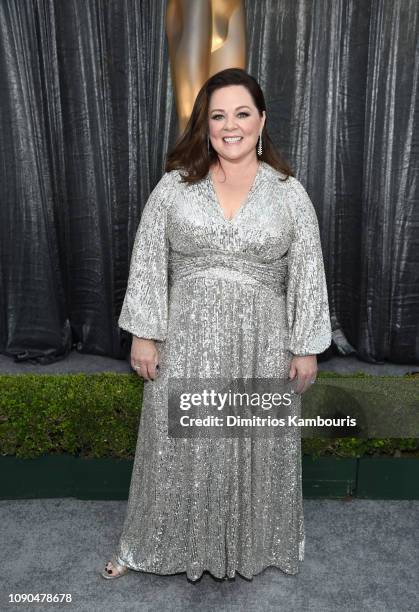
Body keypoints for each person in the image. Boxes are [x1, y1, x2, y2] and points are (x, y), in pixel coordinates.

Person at [101, 68, 332, 582]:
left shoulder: (289, 192)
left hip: (262, 343)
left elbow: (308, 272)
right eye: (218, 115)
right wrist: (144, 331)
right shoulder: (174, 187)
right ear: (205, 125)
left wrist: (305, 346)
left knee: (251, 446)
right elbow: (147, 259)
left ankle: (251, 546)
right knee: (174, 445)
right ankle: (145, 545)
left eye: (242, 113)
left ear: (262, 120)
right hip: (186, 339)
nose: (231, 126)